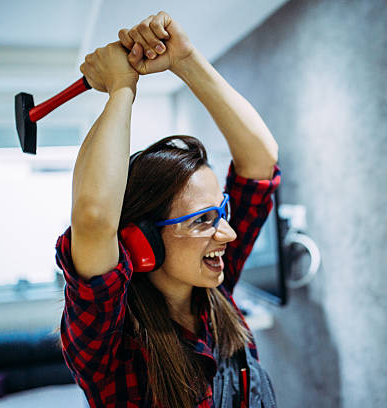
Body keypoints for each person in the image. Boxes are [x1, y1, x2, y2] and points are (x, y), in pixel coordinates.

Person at [54, 11, 281, 408]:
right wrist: (122, 88)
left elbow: (261, 161)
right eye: (202, 220)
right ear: (142, 240)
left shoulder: (215, 293)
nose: (226, 234)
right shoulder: (110, 350)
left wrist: (186, 59)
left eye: (221, 212)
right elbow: (92, 218)